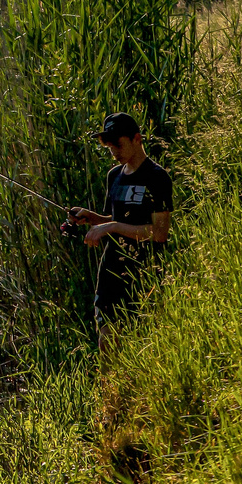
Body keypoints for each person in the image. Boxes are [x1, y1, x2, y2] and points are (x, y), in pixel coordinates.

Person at [68, 112, 173, 336]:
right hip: (111, 271)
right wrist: (91, 217)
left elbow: (159, 234)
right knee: (106, 338)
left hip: (144, 272)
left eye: (118, 144)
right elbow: (113, 219)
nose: (114, 152)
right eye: (109, 146)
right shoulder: (114, 175)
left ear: (137, 139)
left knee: (140, 340)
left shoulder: (157, 177)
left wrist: (111, 227)